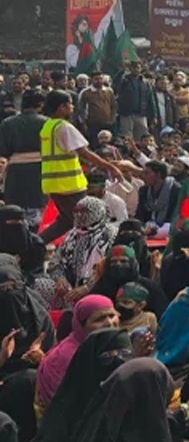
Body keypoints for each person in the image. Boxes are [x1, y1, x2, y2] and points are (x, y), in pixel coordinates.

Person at [23, 328, 134, 442]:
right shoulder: (65, 415)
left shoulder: (134, 409)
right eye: (108, 357)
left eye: (125, 355)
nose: (118, 363)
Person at [37, 90, 124, 243]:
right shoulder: (64, 127)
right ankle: (88, 253)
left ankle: (34, 245)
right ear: (61, 107)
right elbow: (84, 152)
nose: (72, 107)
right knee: (87, 221)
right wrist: (110, 166)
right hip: (69, 184)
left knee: (66, 221)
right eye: (69, 104)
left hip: (53, 183)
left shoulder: (47, 126)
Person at [34, 294, 116, 409]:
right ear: (82, 326)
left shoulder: (107, 347)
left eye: (112, 315)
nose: (109, 323)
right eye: (99, 319)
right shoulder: (68, 356)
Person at [48, 195, 117, 308]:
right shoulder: (73, 235)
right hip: (71, 286)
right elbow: (55, 261)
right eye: (76, 211)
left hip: (98, 287)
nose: (79, 215)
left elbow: (111, 268)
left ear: (97, 212)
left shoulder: (110, 235)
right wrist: (60, 279)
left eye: (85, 211)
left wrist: (87, 288)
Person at [0, 89, 48, 224]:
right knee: (37, 204)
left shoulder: (7, 123)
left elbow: (3, 150)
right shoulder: (46, 122)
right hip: (40, 167)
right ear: (40, 104)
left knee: (15, 206)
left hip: (16, 167)